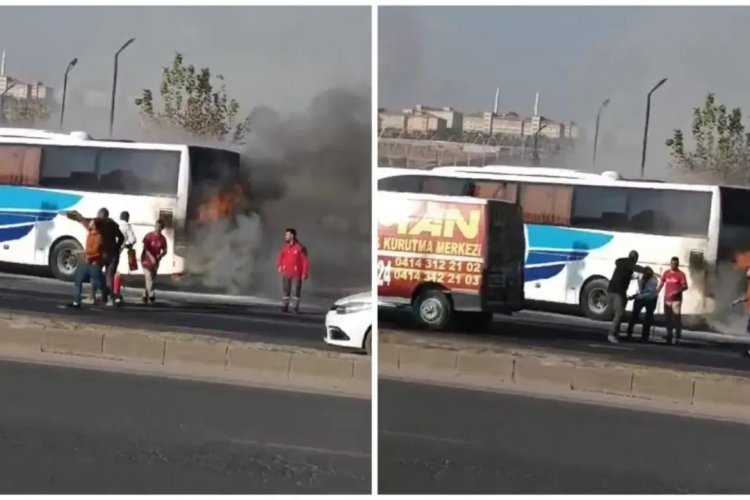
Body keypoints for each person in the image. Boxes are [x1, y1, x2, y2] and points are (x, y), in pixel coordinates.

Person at [607, 250, 646, 344]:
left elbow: (625, 273)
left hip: (611, 289)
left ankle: (616, 332)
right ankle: (611, 334)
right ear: (635, 258)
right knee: (619, 313)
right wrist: (648, 271)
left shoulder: (622, 264)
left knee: (618, 312)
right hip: (618, 291)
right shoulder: (629, 263)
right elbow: (637, 268)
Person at [66, 219, 106, 309]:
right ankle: (76, 302)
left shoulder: (98, 236)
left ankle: (107, 295)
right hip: (87, 262)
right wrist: (78, 218)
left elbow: (95, 250)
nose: (90, 223)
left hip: (94, 264)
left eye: (92, 222)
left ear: (95, 226)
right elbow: (85, 224)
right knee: (78, 280)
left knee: (99, 283)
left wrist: (82, 251)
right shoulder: (90, 233)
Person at [277, 228, 309, 313]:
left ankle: (295, 307)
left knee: (296, 290)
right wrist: (280, 265)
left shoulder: (300, 248)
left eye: (287, 235)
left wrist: (304, 273)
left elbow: (305, 261)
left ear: (292, 235)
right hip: (286, 271)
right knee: (286, 289)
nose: (285, 237)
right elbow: (281, 256)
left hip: (297, 273)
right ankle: (285, 306)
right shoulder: (285, 247)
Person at [657, 256, 688, 345]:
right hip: (667, 299)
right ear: (670, 263)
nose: (673, 265)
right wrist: (657, 292)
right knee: (668, 318)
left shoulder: (681, 274)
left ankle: (678, 334)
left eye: (675, 264)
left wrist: (676, 292)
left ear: (678, 264)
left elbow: (685, 286)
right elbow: (662, 283)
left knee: (676, 317)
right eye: (672, 263)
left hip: (676, 300)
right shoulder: (666, 273)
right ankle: (669, 334)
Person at [626, 266, 658, 342]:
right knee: (644, 316)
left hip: (648, 298)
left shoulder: (651, 280)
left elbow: (649, 293)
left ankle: (635, 334)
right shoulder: (646, 277)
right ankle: (641, 335)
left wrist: (636, 296)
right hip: (648, 298)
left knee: (641, 316)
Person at [141, 220, 168, 305]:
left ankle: (144, 294)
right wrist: (151, 257)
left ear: (162, 228)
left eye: (160, 227)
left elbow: (165, 250)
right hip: (146, 260)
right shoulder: (149, 236)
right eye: (156, 226)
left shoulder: (163, 238)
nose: (157, 228)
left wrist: (161, 255)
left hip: (156, 261)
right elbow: (146, 249)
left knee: (151, 278)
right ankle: (151, 294)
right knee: (149, 276)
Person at [113, 211, 137, 304]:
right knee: (117, 272)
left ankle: (106, 292)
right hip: (119, 251)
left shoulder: (115, 224)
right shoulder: (127, 226)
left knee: (109, 271)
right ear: (127, 218)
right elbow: (133, 240)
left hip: (109, 250)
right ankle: (116, 293)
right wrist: (127, 245)